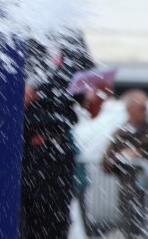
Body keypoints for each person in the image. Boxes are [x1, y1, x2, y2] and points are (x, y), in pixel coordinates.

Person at [20, 34, 101, 239]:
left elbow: (92, 107)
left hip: (58, 152)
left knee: (55, 228)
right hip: (22, 150)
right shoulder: (20, 31)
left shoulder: (72, 38)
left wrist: (97, 95)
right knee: (18, 226)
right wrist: (18, 98)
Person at [101, 89, 148, 238]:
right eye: (142, 108)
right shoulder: (120, 134)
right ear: (130, 109)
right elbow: (105, 164)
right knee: (131, 231)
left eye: (146, 107)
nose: (145, 111)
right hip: (128, 193)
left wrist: (141, 156)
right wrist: (121, 157)